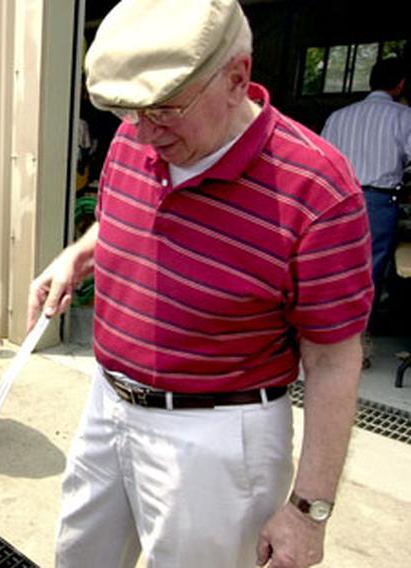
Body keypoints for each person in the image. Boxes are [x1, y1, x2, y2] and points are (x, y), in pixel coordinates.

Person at [27, 1, 372, 567]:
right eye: (127, 111)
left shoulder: (318, 189)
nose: (142, 131)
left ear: (236, 78)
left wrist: (310, 511)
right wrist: (76, 256)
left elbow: (335, 361)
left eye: (162, 110)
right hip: (107, 402)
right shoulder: (134, 138)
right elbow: (119, 223)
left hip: (216, 439)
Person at [321, 57, 411, 367]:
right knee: (368, 274)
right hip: (376, 202)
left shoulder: (338, 117)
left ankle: (322, 341)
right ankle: (353, 348)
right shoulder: (403, 116)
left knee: (331, 269)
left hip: (334, 201)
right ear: (400, 85)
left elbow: (320, 162)